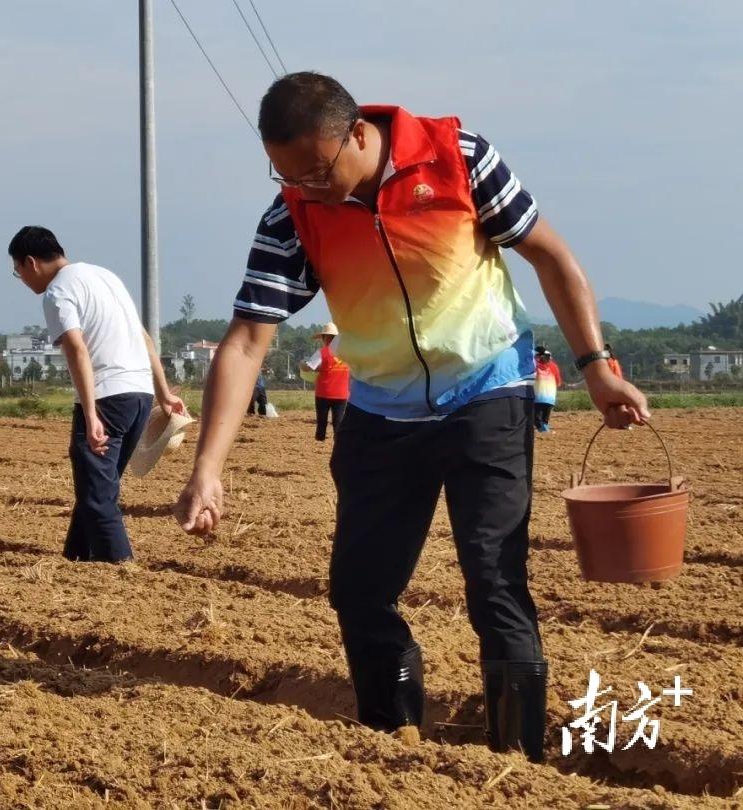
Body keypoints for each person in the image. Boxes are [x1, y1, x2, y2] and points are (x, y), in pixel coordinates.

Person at [174, 72, 650, 763]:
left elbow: (551, 256)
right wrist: (208, 470)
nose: (304, 188)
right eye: (286, 176)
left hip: (488, 390)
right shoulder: (293, 215)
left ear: (358, 135)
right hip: (381, 411)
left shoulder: (459, 157)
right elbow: (247, 340)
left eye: (314, 171)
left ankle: (519, 762)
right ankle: (393, 748)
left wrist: (597, 366)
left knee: (494, 577)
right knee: (360, 589)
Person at [8, 225, 184, 563]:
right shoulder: (105, 277)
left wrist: (90, 414)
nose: (23, 280)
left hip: (107, 398)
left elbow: (77, 349)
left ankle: (120, 571)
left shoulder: (57, 292)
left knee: (99, 498)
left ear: (30, 262)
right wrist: (162, 392)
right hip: (139, 395)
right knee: (96, 489)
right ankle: (76, 559)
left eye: (18, 272)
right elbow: (144, 337)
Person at [300, 322, 350, 440]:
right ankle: (338, 441)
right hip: (341, 394)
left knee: (322, 421)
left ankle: (320, 438)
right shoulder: (347, 353)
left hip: (323, 393)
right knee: (338, 421)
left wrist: (302, 365)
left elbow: (309, 367)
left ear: (325, 337)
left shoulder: (322, 352)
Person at [533, 346, 563, 433]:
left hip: (537, 396)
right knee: (545, 417)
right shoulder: (554, 366)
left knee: (536, 417)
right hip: (550, 397)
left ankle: (543, 431)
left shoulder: (535, 365)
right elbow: (558, 382)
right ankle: (544, 427)